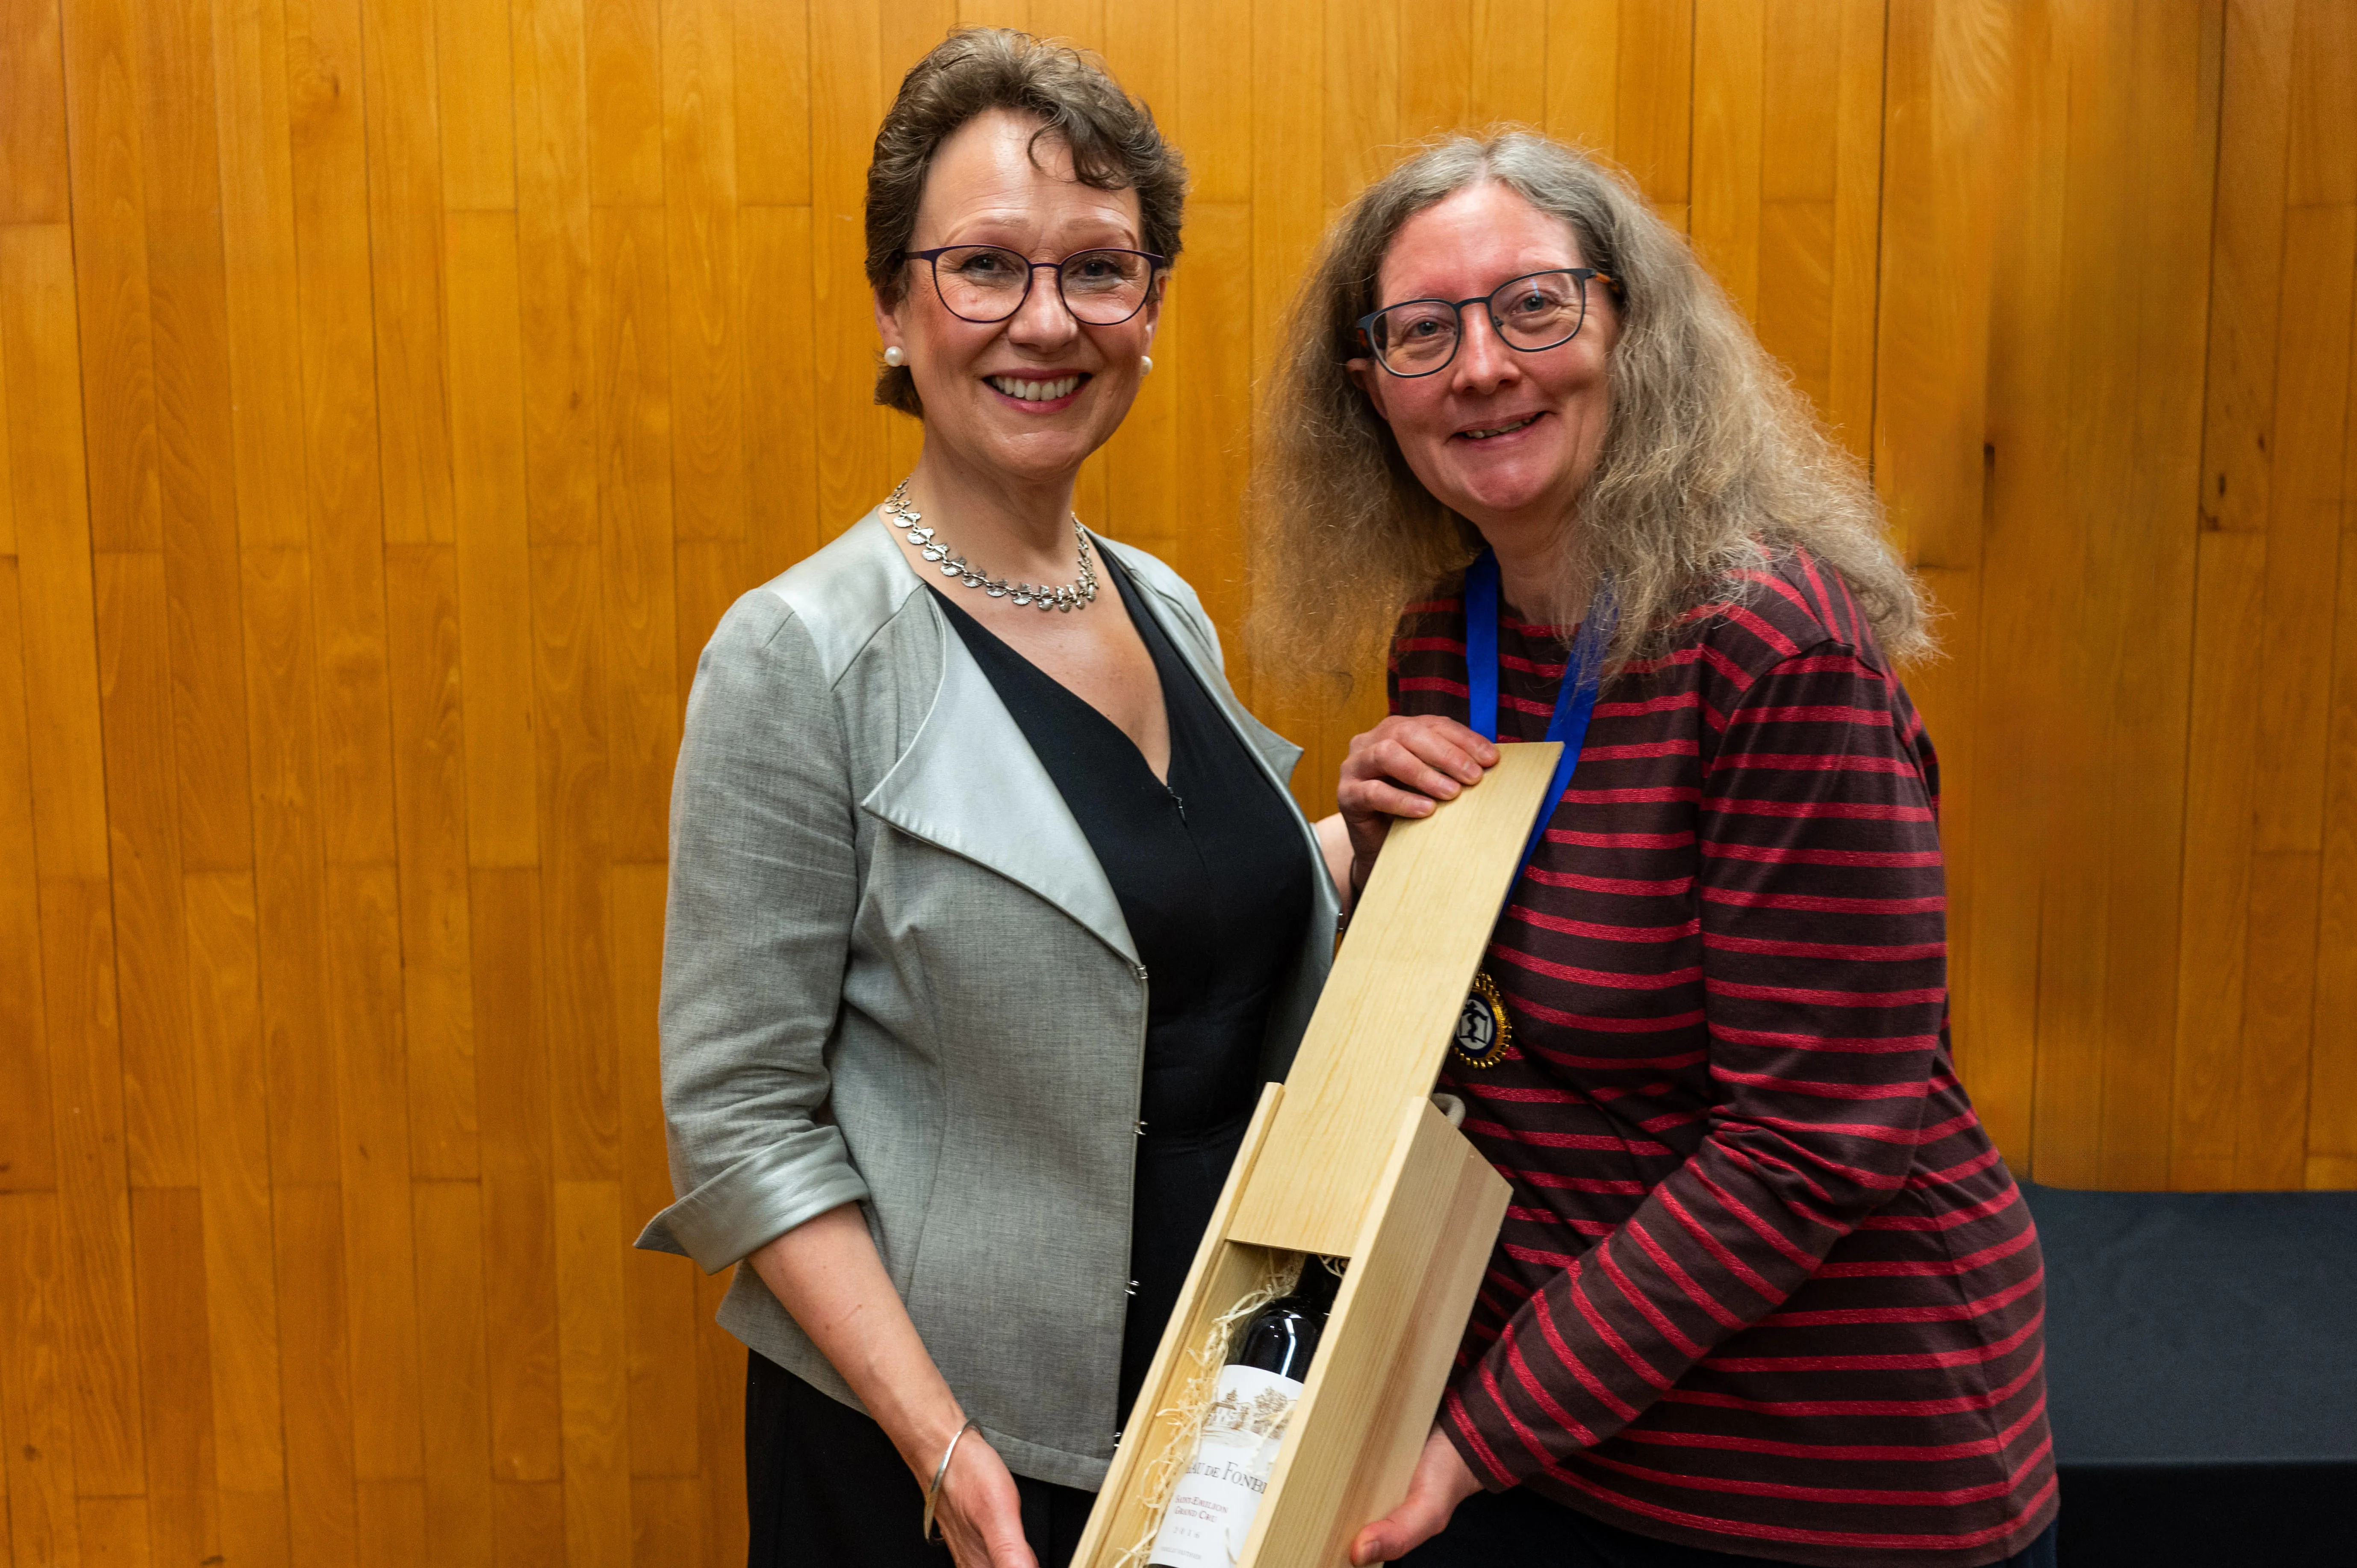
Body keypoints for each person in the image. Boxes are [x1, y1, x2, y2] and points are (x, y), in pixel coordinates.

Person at [1251, 133, 2058, 1568]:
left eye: (1535, 306)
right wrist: (1385, 872)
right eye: (1422, 332)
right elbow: (1500, 1040)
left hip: (1820, 1474)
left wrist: (1472, 1439)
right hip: (1561, 1433)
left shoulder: (1770, 646)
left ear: (1632, 325)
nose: (1482, 366)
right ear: (1369, 392)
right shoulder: (1447, 639)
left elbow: (1804, 1148)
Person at [634, 30, 1338, 1568]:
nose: (1046, 320)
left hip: (1204, 1417)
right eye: (983, 267)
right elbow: (741, 1118)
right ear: (895, 306)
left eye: (1100, 269)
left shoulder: (1161, 603)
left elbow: (1167, 929)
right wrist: (940, 1446)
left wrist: (1363, 830)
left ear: (1149, 309)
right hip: (942, 1467)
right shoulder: (798, 654)